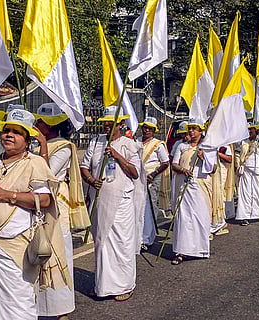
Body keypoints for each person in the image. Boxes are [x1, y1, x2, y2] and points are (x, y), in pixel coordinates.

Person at [0, 109, 70, 319]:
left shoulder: (35, 163)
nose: (9, 135)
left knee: (18, 304)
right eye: (6, 130)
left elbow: (45, 200)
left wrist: (6, 195)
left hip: (16, 247)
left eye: (17, 132)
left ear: (28, 140)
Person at [33, 103, 90, 319]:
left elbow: (45, 174)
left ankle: (60, 308)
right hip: (36, 206)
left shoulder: (64, 147)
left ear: (48, 126)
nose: (36, 125)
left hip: (56, 206)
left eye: (40, 122)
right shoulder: (34, 145)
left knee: (58, 253)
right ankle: (38, 307)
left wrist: (42, 146)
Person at [80, 106, 141, 301]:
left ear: (121, 124)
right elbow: (84, 167)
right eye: (105, 122)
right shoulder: (96, 142)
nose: (107, 126)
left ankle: (124, 285)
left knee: (122, 242)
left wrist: (117, 156)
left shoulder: (130, 144)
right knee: (102, 242)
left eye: (111, 122)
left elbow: (135, 173)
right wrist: (91, 180)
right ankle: (103, 286)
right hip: (101, 199)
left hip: (121, 200)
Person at [171, 119, 215, 265]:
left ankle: (199, 250)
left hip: (200, 185)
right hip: (185, 184)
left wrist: (203, 158)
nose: (191, 131)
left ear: (201, 131)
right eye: (190, 129)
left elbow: (213, 169)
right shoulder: (182, 146)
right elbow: (174, 165)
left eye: (195, 129)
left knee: (200, 217)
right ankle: (181, 251)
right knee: (183, 219)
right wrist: (183, 170)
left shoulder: (207, 146)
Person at [138, 117, 170, 250]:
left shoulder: (158, 144)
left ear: (153, 131)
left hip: (152, 177)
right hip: (137, 176)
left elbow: (165, 163)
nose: (146, 130)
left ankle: (147, 239)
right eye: (145, 127)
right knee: (137, 208)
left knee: (148, 208)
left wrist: (153, 174)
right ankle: (138, 237)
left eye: (149, 128)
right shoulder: (136, 141)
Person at [235, 123, 259, 225]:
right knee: (245, 194)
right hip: (246, 171)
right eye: (247, 130)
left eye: (251, 130)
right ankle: (244, 216)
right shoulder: (244, 141)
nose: (249, 132)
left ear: (255, 130)